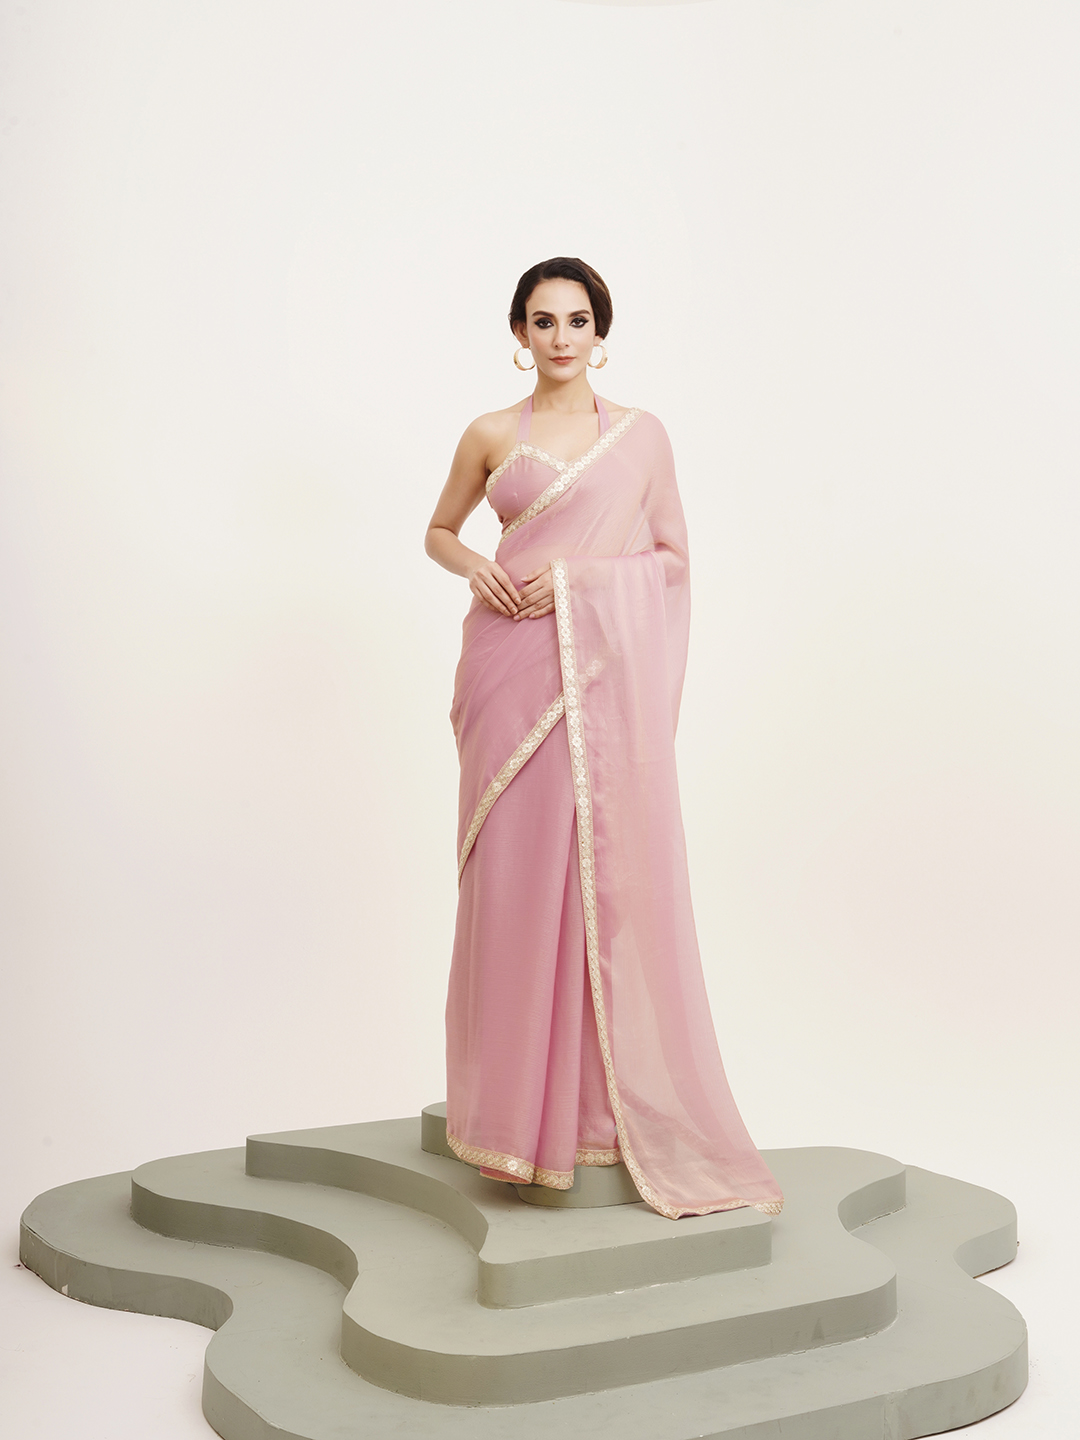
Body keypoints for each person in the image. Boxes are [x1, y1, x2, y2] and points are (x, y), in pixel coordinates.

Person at [424, 258, 783, 1218]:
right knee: (510, 881)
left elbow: (669, 560)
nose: (561, 338)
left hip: (591, 673)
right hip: (505, 669)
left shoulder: (639, 438)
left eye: (577, 320)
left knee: (591, 878)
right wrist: (474, 568)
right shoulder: (490, 433)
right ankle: (508, 1117)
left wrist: (575, 580)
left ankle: (588, 1113)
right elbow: (439, 531)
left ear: (600, 331)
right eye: (543, 321)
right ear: (519, 332)